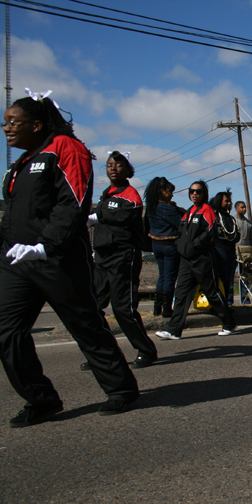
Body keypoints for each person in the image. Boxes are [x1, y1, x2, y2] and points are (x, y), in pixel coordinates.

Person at [0, 92, 139, 426]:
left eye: (12, 122)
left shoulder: (64, 147)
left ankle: (121, 389)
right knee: (7, 332)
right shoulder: (20, 163)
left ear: (36, 124)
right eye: (5, 122)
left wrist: (47, 244)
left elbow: (73, 200)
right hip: (17, 261)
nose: (6, 128)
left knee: (86, 326)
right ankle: (41, 399)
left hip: (57, 258)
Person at [85, 151, 158, 370]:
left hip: (123, 256)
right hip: (103, 257)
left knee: (123, 308)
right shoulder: (106, 193)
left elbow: (125, 216)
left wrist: (99, 215)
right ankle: (103, 354)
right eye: (109, 165)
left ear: (127, 170)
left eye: (118, 165)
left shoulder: (130, 194)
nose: (113, 168)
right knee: (94, 306)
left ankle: (146, 350)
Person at [155, 180, 236, 340]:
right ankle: (174, 330)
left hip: (202, 259)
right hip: (186, 260)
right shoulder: (188, 212)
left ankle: (229, 323)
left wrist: (193, 247)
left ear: (203, 193)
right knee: (181, 294)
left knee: (212, 292)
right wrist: (181, 247)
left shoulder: (207, 211)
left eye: (198, 191)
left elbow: (209, 233)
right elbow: (180, 233)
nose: (194, 193)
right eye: (192, 191)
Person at [144, 176, 184, 318]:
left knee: (162, 276)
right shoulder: (168, 208)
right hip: (169, 244)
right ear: (162, 191)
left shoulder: (151, 206)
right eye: (169, 191)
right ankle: (167, 310)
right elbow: (180, 223)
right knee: (169, 277)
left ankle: (157, 307)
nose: (172, 194)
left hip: (156, 244)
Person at [209, 189, 240, 306]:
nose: (229, 203)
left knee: (229, 277)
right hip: (219, 249)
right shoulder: (215, 216)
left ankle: (228, 302)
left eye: (230, 201)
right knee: (221, 276)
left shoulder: (230, 218)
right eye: (226, 201)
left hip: (231, 250)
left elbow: (235, 234)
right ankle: (220, 302)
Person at [234, 201, 252, 304]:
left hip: (246, 255)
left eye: (245, 207)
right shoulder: (233, 221)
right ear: (237, 208)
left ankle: (246, 300)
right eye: (242, 207)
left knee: (245, 277)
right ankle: (229, 300)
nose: (244, 209)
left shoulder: (249, 223)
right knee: (231, 277)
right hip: (234, 253)